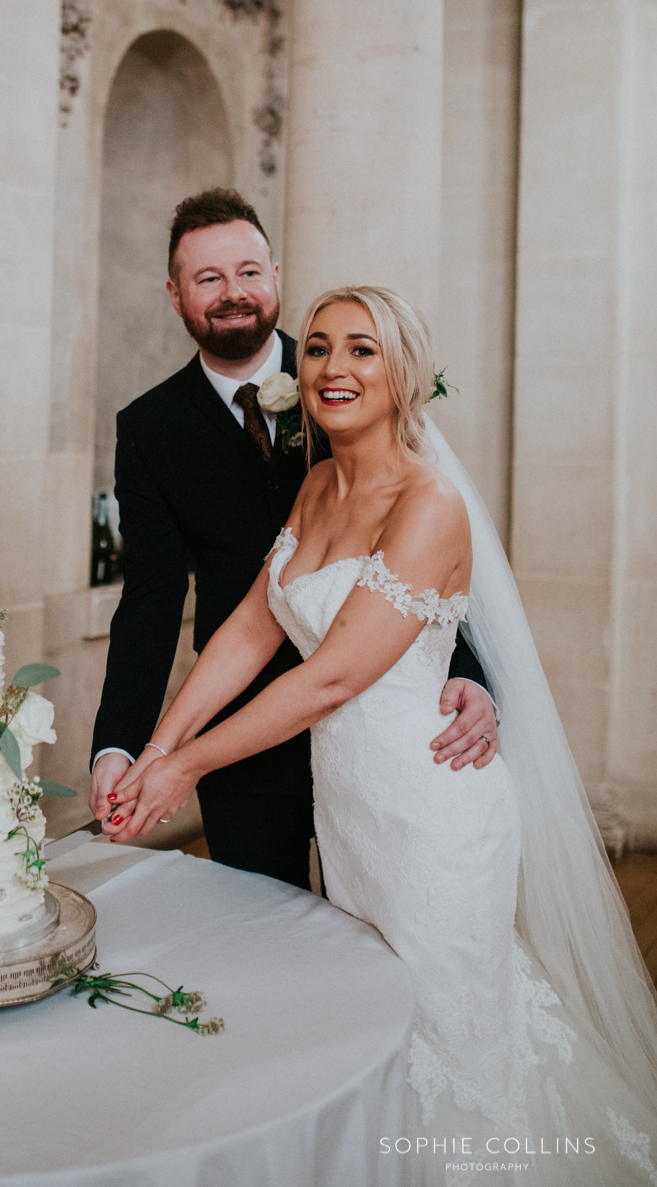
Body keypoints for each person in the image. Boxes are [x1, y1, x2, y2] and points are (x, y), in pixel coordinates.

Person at [107, 285, 657, 1183]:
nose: (334, 367)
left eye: (362, 350)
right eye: (319, 348)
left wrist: (189, 767)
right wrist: (163, 746)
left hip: (432, 813)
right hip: (359, 814)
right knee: (381, 1030)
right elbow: (254, 625)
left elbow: (333, 676)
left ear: (404, 375)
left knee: (455, 1039)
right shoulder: (320, 485)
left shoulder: (429, 502)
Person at [89, 190, 498, 888]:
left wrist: (468, 673)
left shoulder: (359, 387)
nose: (233, 293)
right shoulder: (153, 428)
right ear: (175, 293)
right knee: (271, 951)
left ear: (275, 275)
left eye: (248, 271)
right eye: (208, 278)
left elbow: (435, 571)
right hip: (242, 742)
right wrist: (136, 747)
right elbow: (160, 598)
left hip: (396, 731)